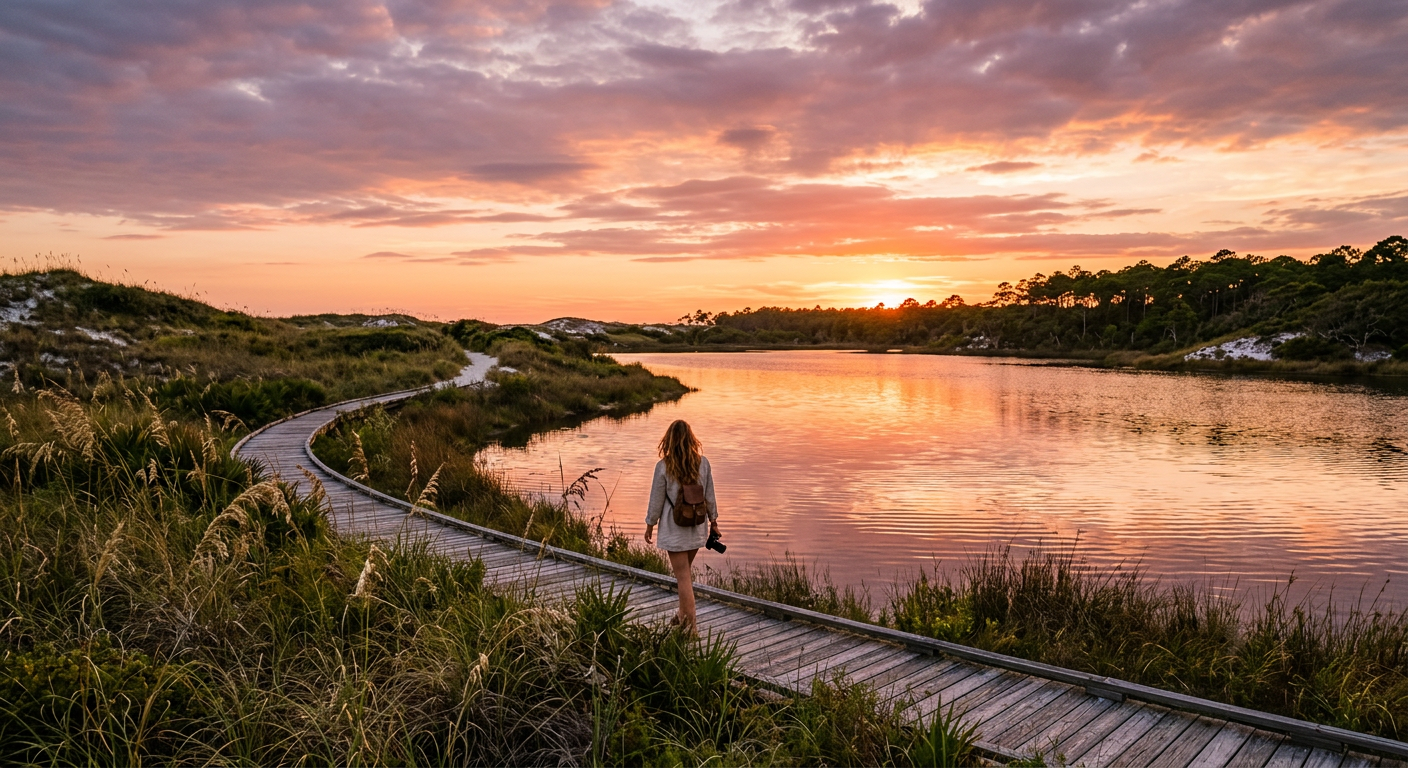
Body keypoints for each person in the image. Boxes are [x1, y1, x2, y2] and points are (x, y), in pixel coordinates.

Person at [644, 419, 720, 634]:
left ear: (669, 440)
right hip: (696, 526)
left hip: (674, 529)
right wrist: (713, 521)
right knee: (684, 575)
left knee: (683, 579)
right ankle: (681, 616)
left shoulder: (664, 466)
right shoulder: (702, 463)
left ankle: (692, 629)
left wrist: (650, 523)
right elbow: (710, 496)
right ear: (690, 439)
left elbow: (656, 499)